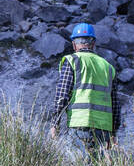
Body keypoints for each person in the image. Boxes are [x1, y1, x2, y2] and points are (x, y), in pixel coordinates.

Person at [49, 22, 121, 151]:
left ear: (74, 44)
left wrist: (55, 124)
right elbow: (115, 104)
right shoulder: (108, 67)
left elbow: (62, 96)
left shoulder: (72, 61)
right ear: (93, 43)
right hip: (103, 128)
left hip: (79, 124)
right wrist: (114, 132)